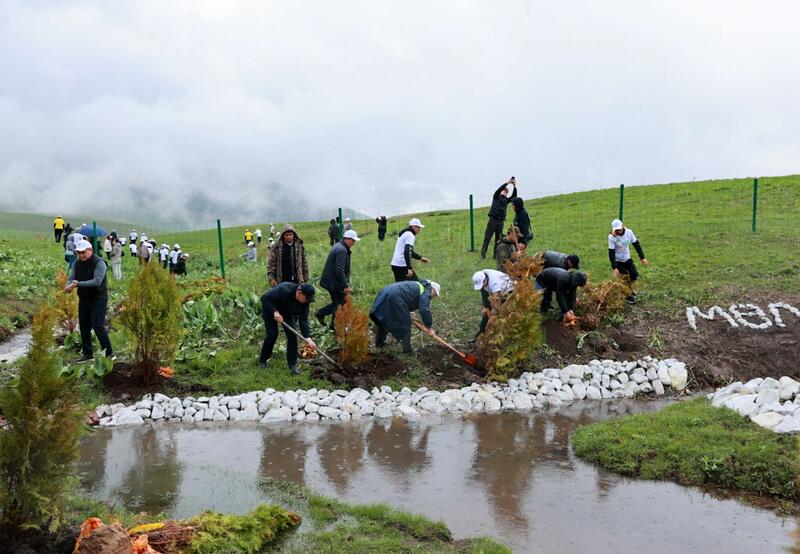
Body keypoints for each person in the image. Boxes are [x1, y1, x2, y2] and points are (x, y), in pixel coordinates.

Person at [64, 240, 113, 361]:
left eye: (83, 252)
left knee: (98, 326)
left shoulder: (99, 263)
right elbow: (71, 277)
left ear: (90, 250)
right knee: (84, 326)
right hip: (84, 298)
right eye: (78, 253)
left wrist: (78, 284)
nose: (81, 255)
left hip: (98, 298)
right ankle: (88, 353)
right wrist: (69, 286)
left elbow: (97, 281)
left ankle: (109, 354)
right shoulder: (77, 263)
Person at [259, 282, 317, 374]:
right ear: (299, 292)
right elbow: (264, 298)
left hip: (287, 313)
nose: (307, 301)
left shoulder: (305, 302)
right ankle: (263, 360)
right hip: (271, 310)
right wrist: (275, 312)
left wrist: (308, 338)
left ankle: (292, 365)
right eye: (306, 299)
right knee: (272, 335)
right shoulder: (284, 289)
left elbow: (303, 320)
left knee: (292, 336)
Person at [369, 280, 440, 354]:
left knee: (384, 319)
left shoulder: (418, 285)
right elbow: (424, 309)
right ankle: (407, 351)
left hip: (386, 292)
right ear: (433, 289)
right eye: (435, 294)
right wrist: (429, 327)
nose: (433, 297)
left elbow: (408, 297)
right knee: (405, 323)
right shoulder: (426, 292)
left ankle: (379, 343)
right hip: (396, 297)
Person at [316, 229, 359, 328]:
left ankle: (321, 313)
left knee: (338, 302)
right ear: (347, 239)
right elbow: (339, 270)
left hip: (330, 281)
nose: (354, 243)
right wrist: (345, 285)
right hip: (334, 283)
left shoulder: (338, 245)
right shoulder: (342, 250)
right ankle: (334, 326)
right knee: (340, 304)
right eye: (353, 240)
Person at [608, 218, 649, 304]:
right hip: (618, 261)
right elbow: (611, 253)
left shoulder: (629, 232)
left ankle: (629, 288)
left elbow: (636, 244)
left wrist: (642, 258)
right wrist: (614, 267)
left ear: (622, 226)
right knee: (625, 276)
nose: (618, 231)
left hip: (627, 258)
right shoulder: (611, 237)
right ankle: (627, 295)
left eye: (619, 229)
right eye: (616, 230)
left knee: (634, 274)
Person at [480, 176, 518, 259]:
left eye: (506, 192)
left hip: (500, 222)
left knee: (498, 240)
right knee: (487, 238)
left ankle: (495, 255)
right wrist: (507, 182)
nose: (505, 192)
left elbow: (514, 196)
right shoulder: (496, 197)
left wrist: (514, 186)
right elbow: (498, 190)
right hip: (492, 220)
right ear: (501, 191)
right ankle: (483, 255)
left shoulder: (506, 200)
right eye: (503, 191)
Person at [472, 269, 514, 336]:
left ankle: (500, 333)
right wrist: (486, 307)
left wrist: (492, 315)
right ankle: (481, 333)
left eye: (482, 285)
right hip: (497, 291)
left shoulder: (495, 283)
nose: (482, 287)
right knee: (486, 312)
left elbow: (496, 301)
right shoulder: (481, 276)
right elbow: (484, 295)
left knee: (500, 312)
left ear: (485, 280)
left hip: (508, 290)